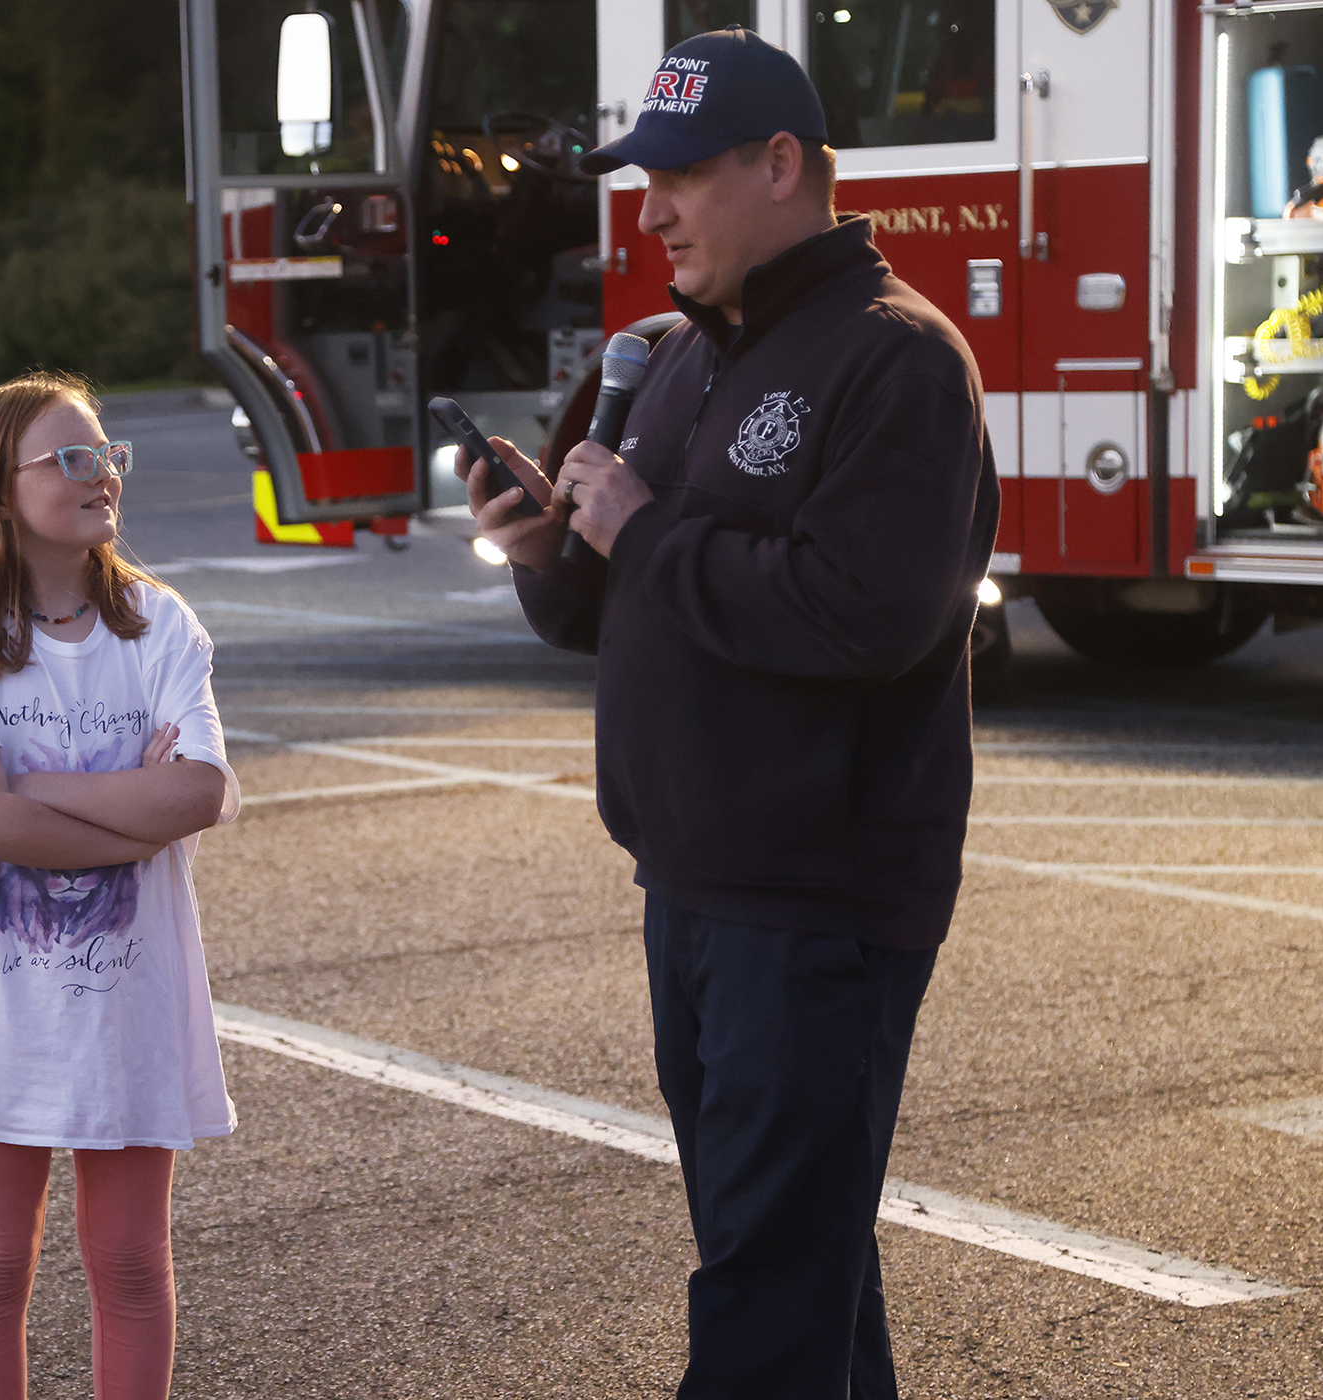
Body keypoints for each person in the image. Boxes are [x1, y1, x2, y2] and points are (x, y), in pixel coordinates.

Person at [458, 28, 999, 1400]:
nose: (651, 210)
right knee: (795, 1261)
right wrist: (550, 555)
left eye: (682, 176)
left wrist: (642, 532)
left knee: (764, 1280)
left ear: (780, 165)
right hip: (692, 884)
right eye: (644, 177)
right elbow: (620, 607)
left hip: (817, 898)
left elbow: (861, 618)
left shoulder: (898, 362)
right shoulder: (676, 357)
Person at [0, 370, 241, 1400]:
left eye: (108, 454)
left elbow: (201, 794)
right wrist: (126, 793)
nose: (103, 475)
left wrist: (38, 789)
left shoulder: (157, 621)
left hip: (134, 1003)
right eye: (73, 457)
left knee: (132, 1259)